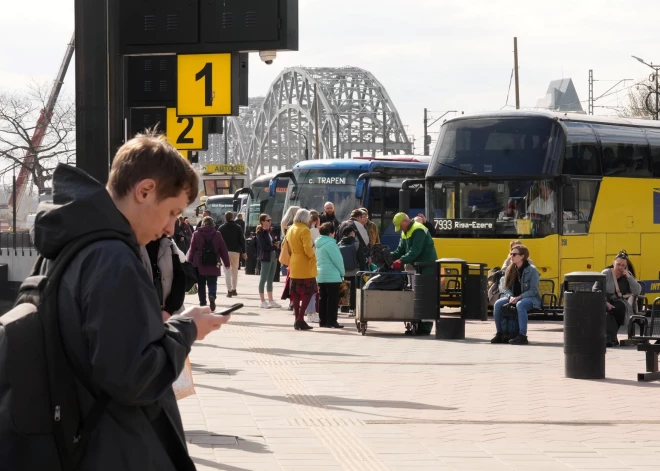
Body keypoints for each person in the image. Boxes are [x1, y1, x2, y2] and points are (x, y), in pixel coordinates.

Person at [25, 132, 231, 470]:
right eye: (171, 211)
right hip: (115, 445)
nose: (169, 228)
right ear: (145, 191)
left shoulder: (70, 244)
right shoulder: (113, 259)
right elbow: (134, 377)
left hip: (76, 435)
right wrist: (187, 330)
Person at [391, 212, 438, 335]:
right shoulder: (405, 231)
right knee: (416, 297)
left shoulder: (418, 230)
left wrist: (400, 260)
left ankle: (425, 327)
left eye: (401, 226)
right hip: (416, 266)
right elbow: (400, 250)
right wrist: (389, 256)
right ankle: (417, 324)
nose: (401, 229)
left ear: (405, 221)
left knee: (426, 297)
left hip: (427, 267)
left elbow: (415, 250)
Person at [491, 244, 541, 345]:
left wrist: (519, 297)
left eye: (514, 254)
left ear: (522, 256)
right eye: (511, 254)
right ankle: (500, 334)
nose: (511, 257)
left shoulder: (532, 270)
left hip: (530, 298)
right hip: (513, 297)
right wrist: (511, 296)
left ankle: (522, 336)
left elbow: (533, 291)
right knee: (498, 304)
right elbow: (505, 288)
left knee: (520, 304)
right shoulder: (510, 269)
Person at [594, 251, 642, 347]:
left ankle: (610, 339)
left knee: (618, 309)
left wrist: (629, 278)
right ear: (613, 263)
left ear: (626, 266)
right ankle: (611, 339)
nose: (620, 267)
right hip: (604, 301)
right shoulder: (606, 273)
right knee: (609, 314)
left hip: (619, 303)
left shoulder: (627, 275)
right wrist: (606, 303)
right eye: (618, 264)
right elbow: (596, 290)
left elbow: (637, 291)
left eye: (623, 265)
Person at [187, 216, 231, 312]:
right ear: (213, 224)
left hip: (199, 263)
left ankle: (203, 303)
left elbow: (191, 250)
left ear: (203, 224)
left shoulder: (196, 234)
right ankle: (212, 295)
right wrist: (227, 262)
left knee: (201, 284)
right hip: (214, 262)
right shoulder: (217, 234)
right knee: (212, 282)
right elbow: (223, 249)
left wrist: (189, 263)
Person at [140, 235, 187, 322]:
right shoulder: (131, 246)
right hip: (144, 317)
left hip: (170, 315)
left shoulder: (168, 244)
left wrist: (169, 310)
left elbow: (180, 277)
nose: (170, 230)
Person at [287, 208, 318, 331]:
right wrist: (313, 256)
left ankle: (297, 319)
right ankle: (300, 318)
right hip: (305, 263)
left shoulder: (291, 228)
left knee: (295, 292)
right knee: (309, 291)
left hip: (294, 261)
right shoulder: (305, 230)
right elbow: (307, 249)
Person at [315, 222, 345, 328]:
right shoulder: (331, 244)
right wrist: (342, 272)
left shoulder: (318, 243)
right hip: (332, 276)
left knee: (323, 298)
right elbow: (338, 260)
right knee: (332, 299)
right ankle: (332, 321)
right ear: (331, 232)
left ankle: (322, 321)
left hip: (320, 275)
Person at [338, 227, 367, 315]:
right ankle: (353, 308)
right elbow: (361, 259)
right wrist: (363, 270)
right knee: (354, 289)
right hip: (355, 271)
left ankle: (343, 307)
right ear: (351, 233)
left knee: (344, 287)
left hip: (343, 270)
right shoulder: (357, 244)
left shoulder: (339, 244)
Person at [255, 213, 282, 309]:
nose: (270, 222)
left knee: (271, 279)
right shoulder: (260, 232)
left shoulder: (271, 231)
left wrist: (276, 244)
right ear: (262, 222)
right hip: (265, 257)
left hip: (273, 256)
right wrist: (273, 246)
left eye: (270, 220)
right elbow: (263, 246)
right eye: (268, 220)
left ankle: (271, 300)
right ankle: (262, 301)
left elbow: (273, 242)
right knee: (263, 279)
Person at [218, 211, 247, 298]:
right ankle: (234, 289)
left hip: (224, 252)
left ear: (225, 218)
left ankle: (229, 290)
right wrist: (244, 252)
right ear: (232, 218)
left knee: (227, 272)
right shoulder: (238, 228)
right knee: (235, 271)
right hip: (235, 251)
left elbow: (218, 241)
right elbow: (242, 240)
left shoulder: (221, 228)